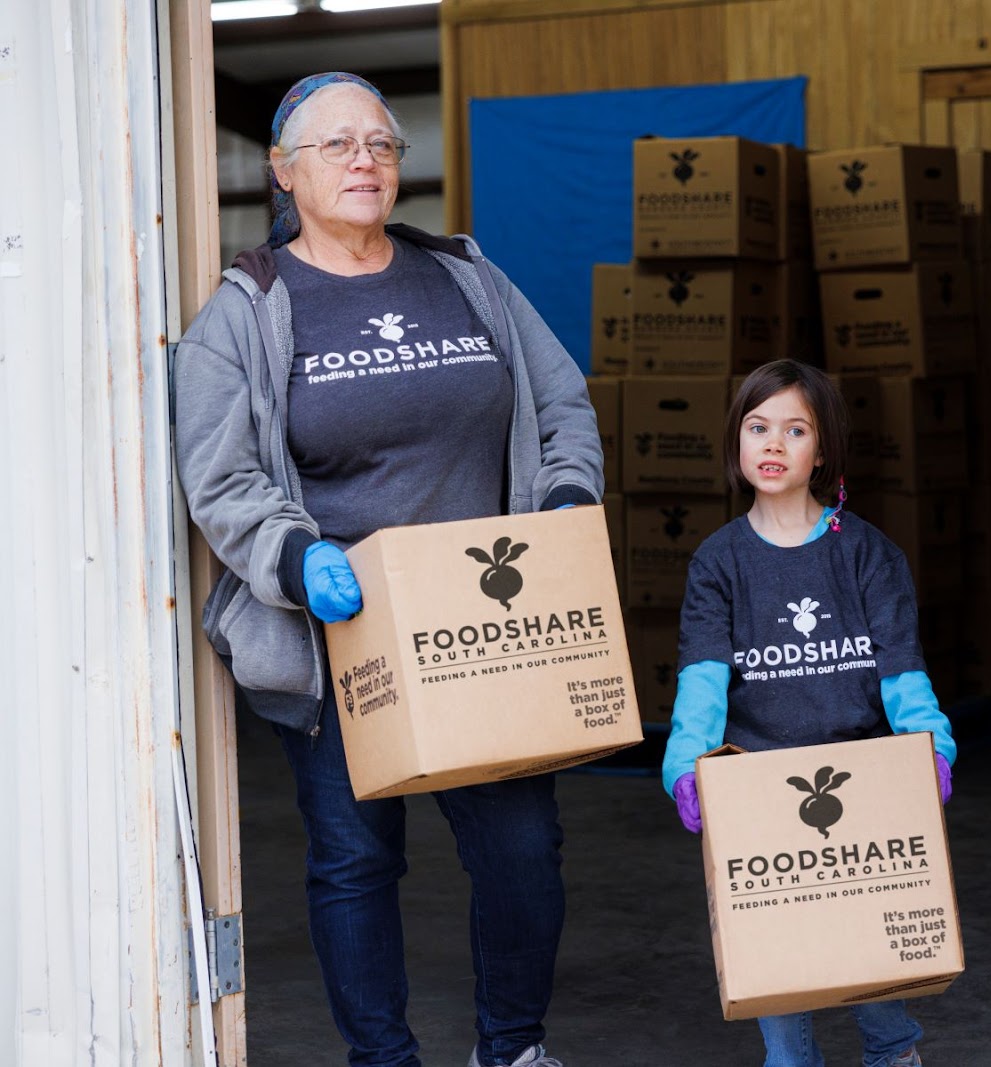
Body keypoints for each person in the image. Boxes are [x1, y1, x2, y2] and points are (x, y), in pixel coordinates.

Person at [174, 72, 600, 1067]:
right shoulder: (247, 312)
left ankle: (512, 1046)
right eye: (337, 145)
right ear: (282, 171)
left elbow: (561, 401)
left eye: (381, 143)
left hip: (485, 629)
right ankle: (383, 1057)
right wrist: (295, 552)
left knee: (522, 852)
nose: (365, 160)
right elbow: (220, 474)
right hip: (345, 639)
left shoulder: (465, 277)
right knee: (358, 860)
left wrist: (567, 501)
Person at [661, 360, 957, 1067]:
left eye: (795, 430)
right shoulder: (718, 561)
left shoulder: (866, 554)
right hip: (758, 786)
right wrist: (685, 765)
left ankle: (893, 1052)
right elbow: (702, 681)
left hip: (862, 777)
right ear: (736, 440)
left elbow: (902, 668)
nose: (773, 443)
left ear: (821, 451)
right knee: (775, 945)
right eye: (758, 427)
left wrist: (931, 746)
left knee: (872, 929)